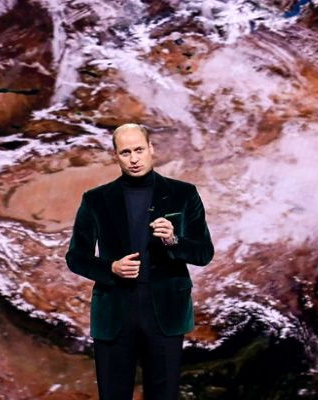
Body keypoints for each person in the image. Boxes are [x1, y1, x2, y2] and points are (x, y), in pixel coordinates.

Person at [65, 123, 214, 400]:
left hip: (165, 312)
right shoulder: (95, 199)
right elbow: (75, 257)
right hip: (115, 311)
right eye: (126, 152)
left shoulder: (183, 194)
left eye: (139, 150)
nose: (133, 159)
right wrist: (110, 268)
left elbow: (204, 253)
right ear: (116, 155)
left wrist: (173, 240)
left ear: (151, 149)